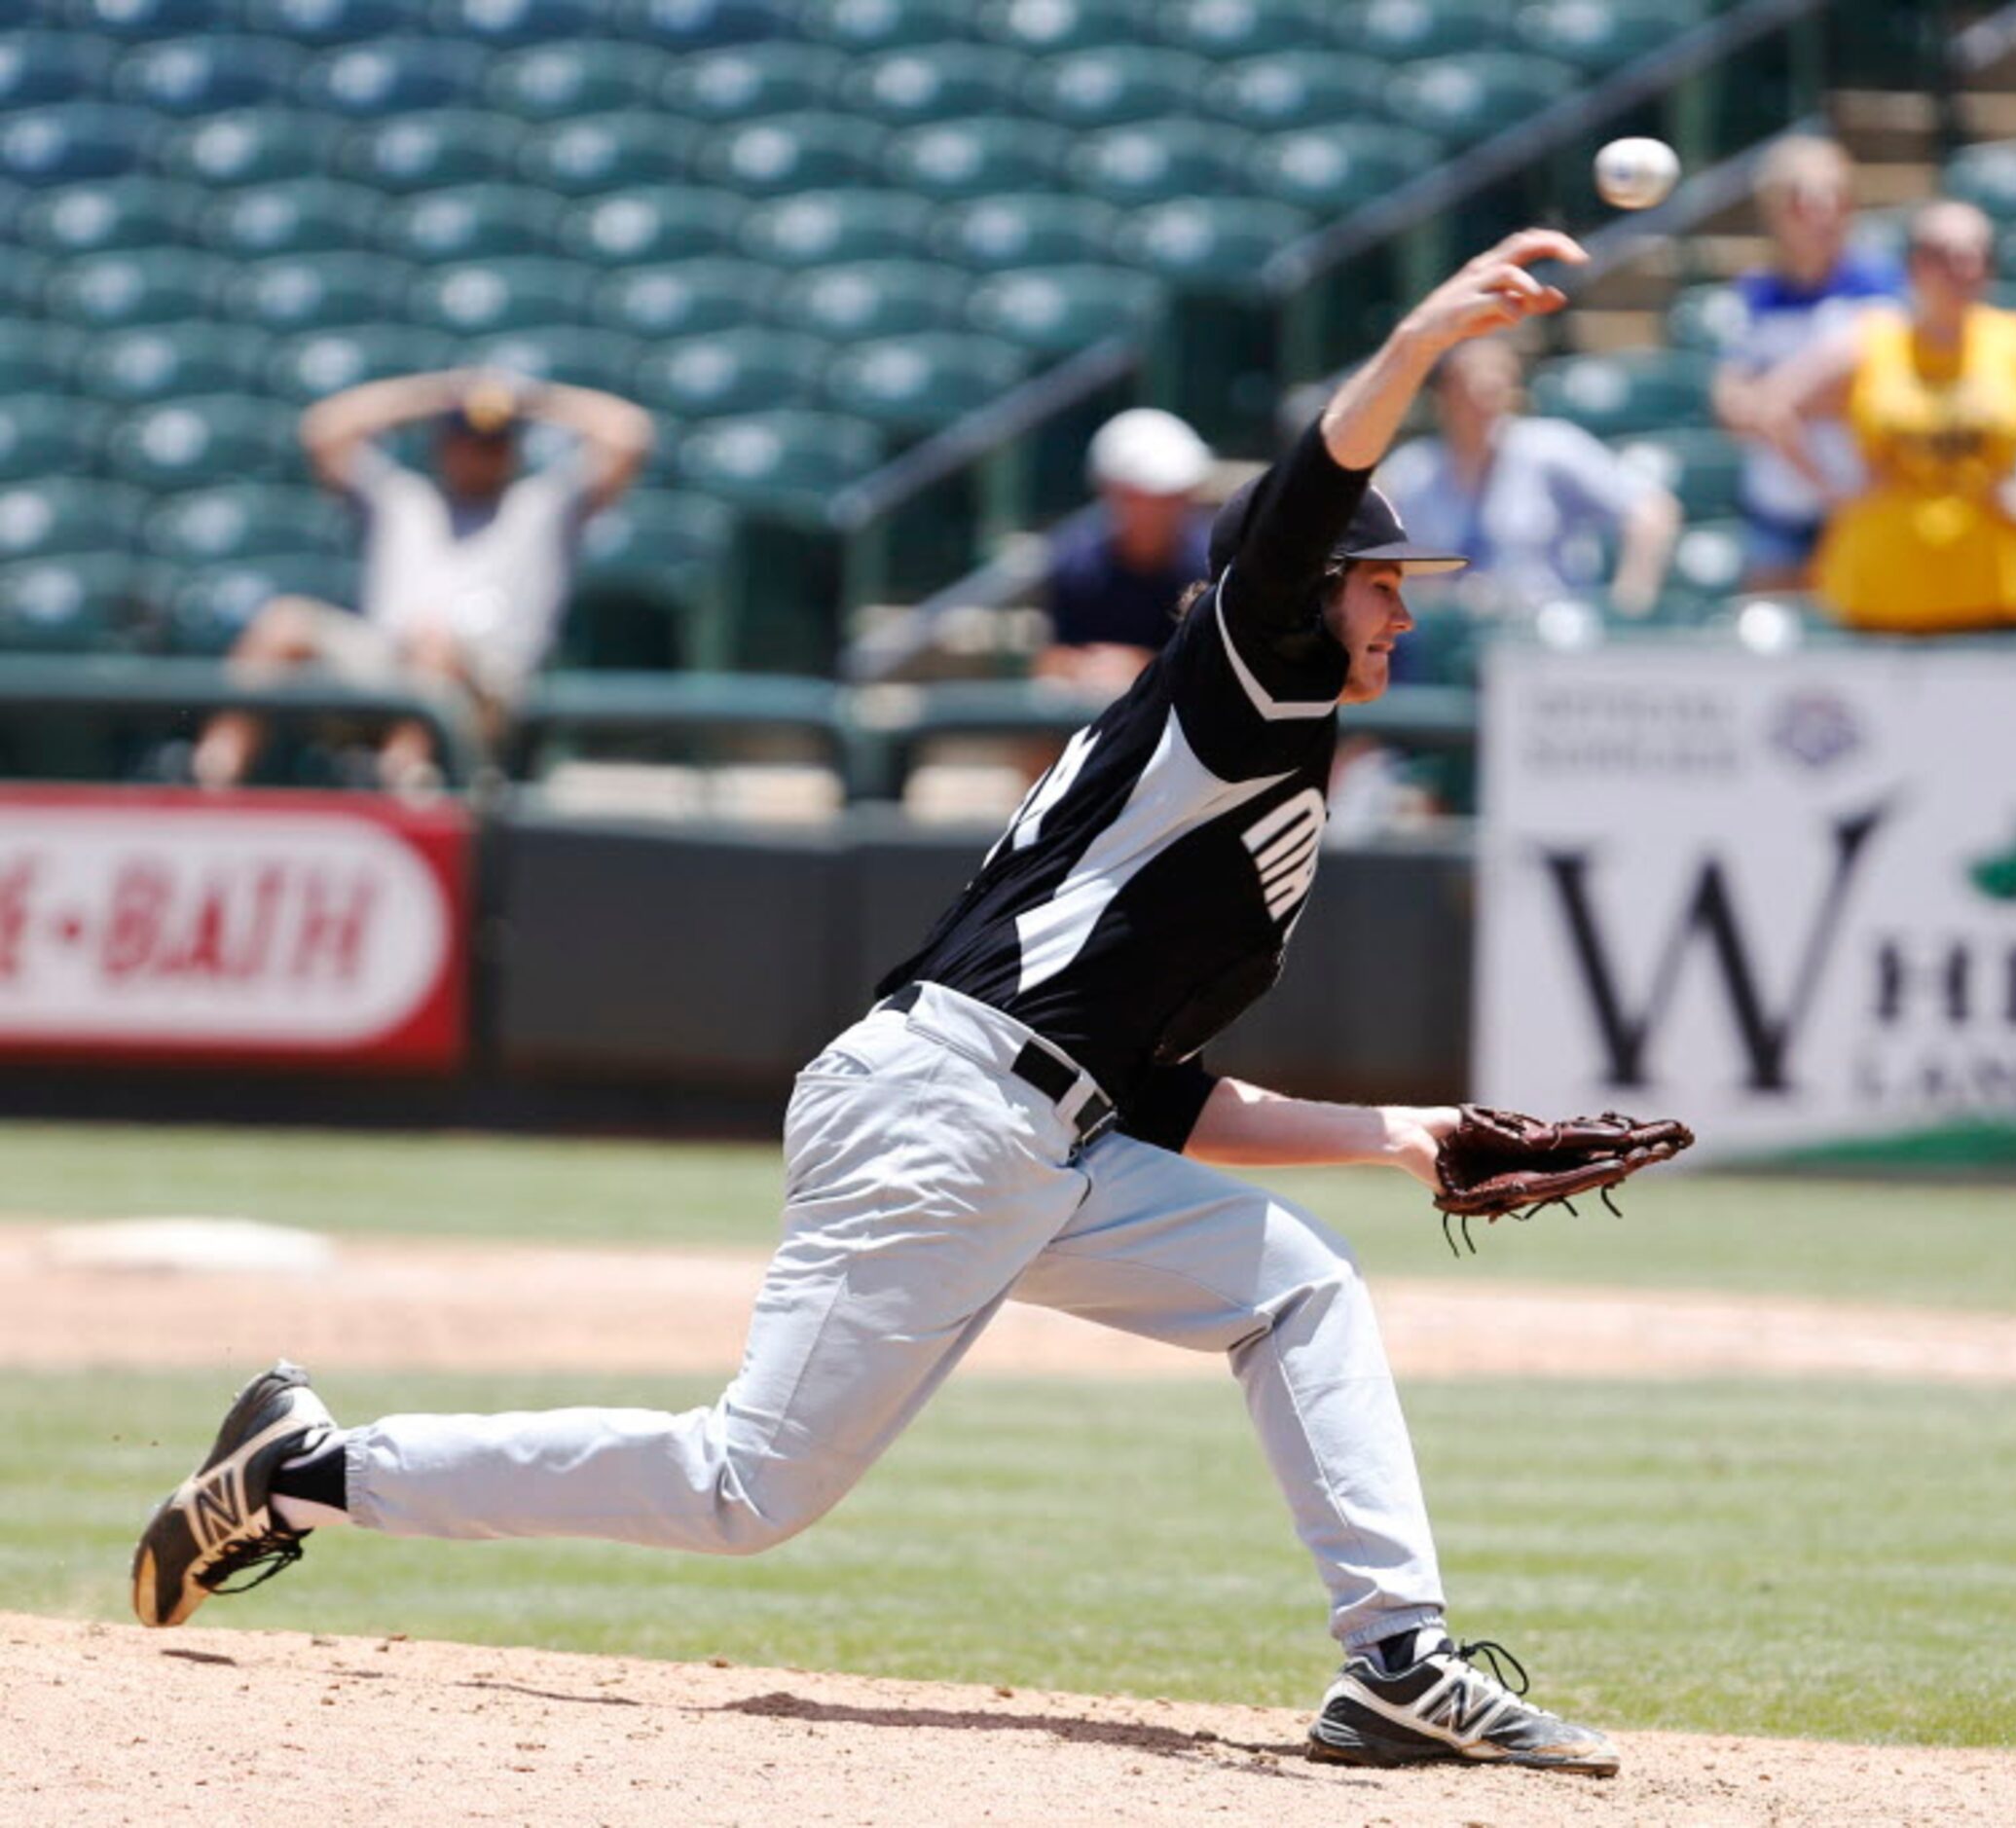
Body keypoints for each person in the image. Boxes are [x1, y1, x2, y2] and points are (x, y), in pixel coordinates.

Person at [130, 232, 1623, 1778]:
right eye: (1386, 583)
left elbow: (1157, 1089)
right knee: (741, 1488)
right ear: (1314, 594)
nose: (1405, 614)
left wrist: (1406, 1137)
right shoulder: (1242, 681)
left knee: (1298, 1288)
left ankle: (1395, 1660)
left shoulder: (1248, 767)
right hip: (949, 1109)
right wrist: (1423, 340)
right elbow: (1300, 499)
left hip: (1036, 1124)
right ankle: (305, 1468)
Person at [190, 368, 653, 791]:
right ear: (443, 444)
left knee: (434, 646)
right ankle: (212, 786)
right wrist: (441, 393)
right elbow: (322, 429)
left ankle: (407, 794)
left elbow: (630, 434)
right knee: (282, 624)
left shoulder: (542, 507)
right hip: (386, 662)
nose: (481, 453)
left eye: (495, 442)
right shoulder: (405, 500)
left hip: (491, 683)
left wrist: (527, 399)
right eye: (468, 439)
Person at [1766, 200, 2016, 635]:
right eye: (1944, 256)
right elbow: (1772, 408)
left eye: (1976, 256)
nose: (1962, 269)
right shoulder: (1872, 342)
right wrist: (1834, 490)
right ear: (1915, 265)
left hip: (1993, 590)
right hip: (1879, 590)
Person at [1707, 135, 1905, 592]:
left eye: (1837, 199)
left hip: (1866, 505)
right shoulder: (1755, 294)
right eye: (1803, 202)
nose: (1822, 215)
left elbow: (1873, 388)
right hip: (1778, 512)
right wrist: (1789, 404)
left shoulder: (1879, 285)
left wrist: (1776, 403)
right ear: (1775, 211)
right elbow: (1731, 406)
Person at [1375, 336, 1682, 621]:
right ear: (1443, 393)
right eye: (1469, 383)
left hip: (1541, 630)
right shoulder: (1413, 469)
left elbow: (1652, 511)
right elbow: (1367, 545)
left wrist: (1629, 602)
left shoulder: (1550, 448)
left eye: (1499, 380)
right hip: (1446, 634)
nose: (1485, 393)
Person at [1038, 407, 1216, 694]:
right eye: (1146, 496)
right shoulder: (1076, 564)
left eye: (1175, 495)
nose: (1164, 508)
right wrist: (1078, 669)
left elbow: (1222, 672)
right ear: (1112, 493)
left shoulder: (1215, 565)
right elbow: (1054, 661)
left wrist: (1141, 668)